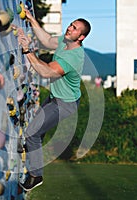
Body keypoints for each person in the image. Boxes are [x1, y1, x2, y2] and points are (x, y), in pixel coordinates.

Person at [15, 9, 91, 191]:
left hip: (65, 104)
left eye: (75, 29)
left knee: (32, 133)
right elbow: (47, 41)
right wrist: (32, 19)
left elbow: (46, 71)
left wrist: (26, 50)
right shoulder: (64, 42)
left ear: (80, 38)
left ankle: (36, 176)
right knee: (36, 132)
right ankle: (28, 150)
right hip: (55, 97)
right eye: (71, 25)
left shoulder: (74, 57)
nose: (70, 29)